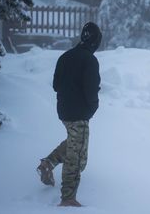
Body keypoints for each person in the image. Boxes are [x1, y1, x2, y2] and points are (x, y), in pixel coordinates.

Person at [37, 22, 102, 207]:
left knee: (74, 143)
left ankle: (48, 163)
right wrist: (92, 107)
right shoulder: (90, 60)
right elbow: (91, 91)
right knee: (78, 157)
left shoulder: (65, 57)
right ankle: (68, 198)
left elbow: (56, 85)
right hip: (79, 113)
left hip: (64, 111)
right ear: (95, 42)